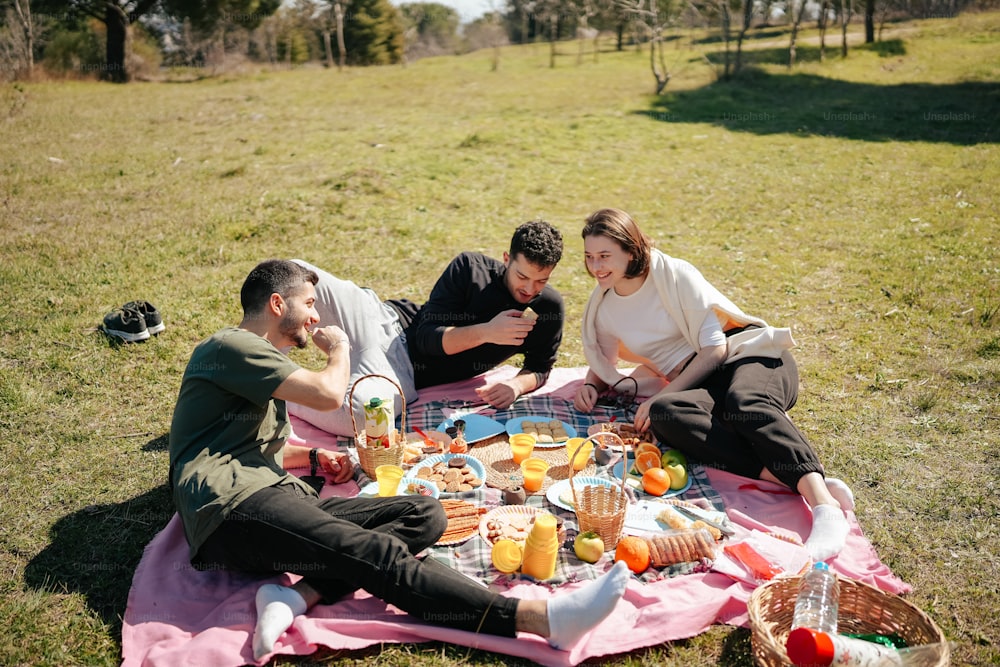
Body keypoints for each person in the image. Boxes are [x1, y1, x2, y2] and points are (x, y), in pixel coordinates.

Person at [168, 259, 628, 661]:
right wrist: (341, 349)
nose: (313, 316)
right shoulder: (232, 346)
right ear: (275, 304)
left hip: (271, 494)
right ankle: (539, 619)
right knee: (374, 551)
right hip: (230, 508)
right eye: (308, 304)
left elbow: (251, 442)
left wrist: (312, 455)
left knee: (424, 513)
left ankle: (294, 598)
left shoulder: (256, 359)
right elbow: (330, 394)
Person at [572, 208, 854, 562]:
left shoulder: (673, 275)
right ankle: (795, 479)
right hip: (704, 386)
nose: (595, 266)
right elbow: (603, 359)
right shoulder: (605, 309)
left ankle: (825, 508)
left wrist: (666, 389)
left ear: (630, 250)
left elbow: (715, 349)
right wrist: (591, 385)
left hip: (748, 355)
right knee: (665, 414)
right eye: (588, 257)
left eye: (604, 256)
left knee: (743, 403)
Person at [287, 219, 565, 437]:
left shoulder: (547, 308)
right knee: (293, 271)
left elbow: (541, 367)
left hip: (400, 373)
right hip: (384, 321)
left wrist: (516, 385)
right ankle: (252, 353)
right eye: (522, 276)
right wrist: (487, 332)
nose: (530, 289)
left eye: (541, 281)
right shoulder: (470, 268)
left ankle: (281, 388)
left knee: (365, 419)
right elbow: (426, 339)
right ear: (507, 258)